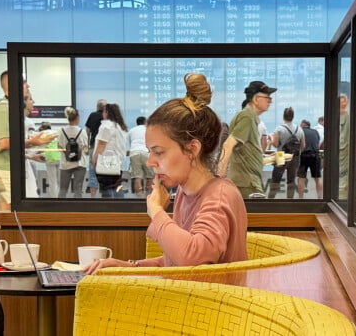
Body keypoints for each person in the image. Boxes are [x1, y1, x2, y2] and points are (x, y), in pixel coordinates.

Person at [85, 73, 247, 272]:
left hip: (213, 302)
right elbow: (175, 262)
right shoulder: (184, 191)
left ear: (192, 149)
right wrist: (129, 266)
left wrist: (157, 211)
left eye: (159, 152)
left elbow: (193, 258)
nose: (151, 162)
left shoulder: (220, 196)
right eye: (150, 152)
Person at [0, 72, 51, 234]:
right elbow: (4, 143)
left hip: (10, 172)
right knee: (3, 220)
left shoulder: (9, 108)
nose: (28, 86)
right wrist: (32, 142)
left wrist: (28, 154)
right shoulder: (3, 110)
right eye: (24, 83)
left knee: (15, 218)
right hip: (5, 173)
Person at [218, 81, 277, 198]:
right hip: (246, 184)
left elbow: (245, 152)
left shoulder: (250, 117)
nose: (270, 101)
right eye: (267, 98)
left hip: (248, 182)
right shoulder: (247, 117)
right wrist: (219, 179)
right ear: (256, 99)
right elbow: (228, 145)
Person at [91, 103, 127, 198]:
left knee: (106, 188)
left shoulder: (106, 126)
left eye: (103, 111)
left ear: (107, 112)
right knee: (117, 187)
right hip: (118, 162)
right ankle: (121, 209)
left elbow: (101, 144)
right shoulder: (120, 126)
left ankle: (108, 209)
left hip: (106, 162)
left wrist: (94, 159)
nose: (102, 113)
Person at [267, 107, 304, 199]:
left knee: (276, 180)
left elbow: (275, 145)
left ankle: (270, 201)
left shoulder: (279, 129)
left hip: (281, 156)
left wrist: (271, 139)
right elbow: (303, 146)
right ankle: (290, 201)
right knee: (291, 181)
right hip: (294, 157)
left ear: (283, 117)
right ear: (293, 117)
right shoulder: (299, 129)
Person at [58, 107, 89, 198]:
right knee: (78, 190)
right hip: (80, 164)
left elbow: (59, 146)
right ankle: (77, 211)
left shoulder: (61, 131)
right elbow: (86, 148)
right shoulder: (82, 131)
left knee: (63, 189)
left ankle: (60, 210)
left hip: (65, 164)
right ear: (77, 118)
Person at [127, 116, 155, 197]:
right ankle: (148, 197)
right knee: (150, 176)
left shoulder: (131, 130)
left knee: (137, 176)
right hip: (146, 153)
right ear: (145, 122)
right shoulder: (149, 129)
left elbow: (130, 143)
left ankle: (139, 197)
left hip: (134, 153)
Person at [85, 99, 107, 198]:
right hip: (105, 148)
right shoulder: (107, 117)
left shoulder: (92, 115)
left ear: (97, 107)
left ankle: (93, 197)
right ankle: (105, 195)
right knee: (105, 171)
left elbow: (88, 131)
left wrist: (88, 144)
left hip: (94, 146)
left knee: (92, 171)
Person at [297, 119, 322, 199]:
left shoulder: (300, 132)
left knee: (301, 178)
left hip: (304, 155)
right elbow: (318, 144)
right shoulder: (315, 131)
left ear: (302, 125)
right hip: (315, 155)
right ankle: (320, 198)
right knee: (317, 178)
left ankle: (301, 199)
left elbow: (299, 145)